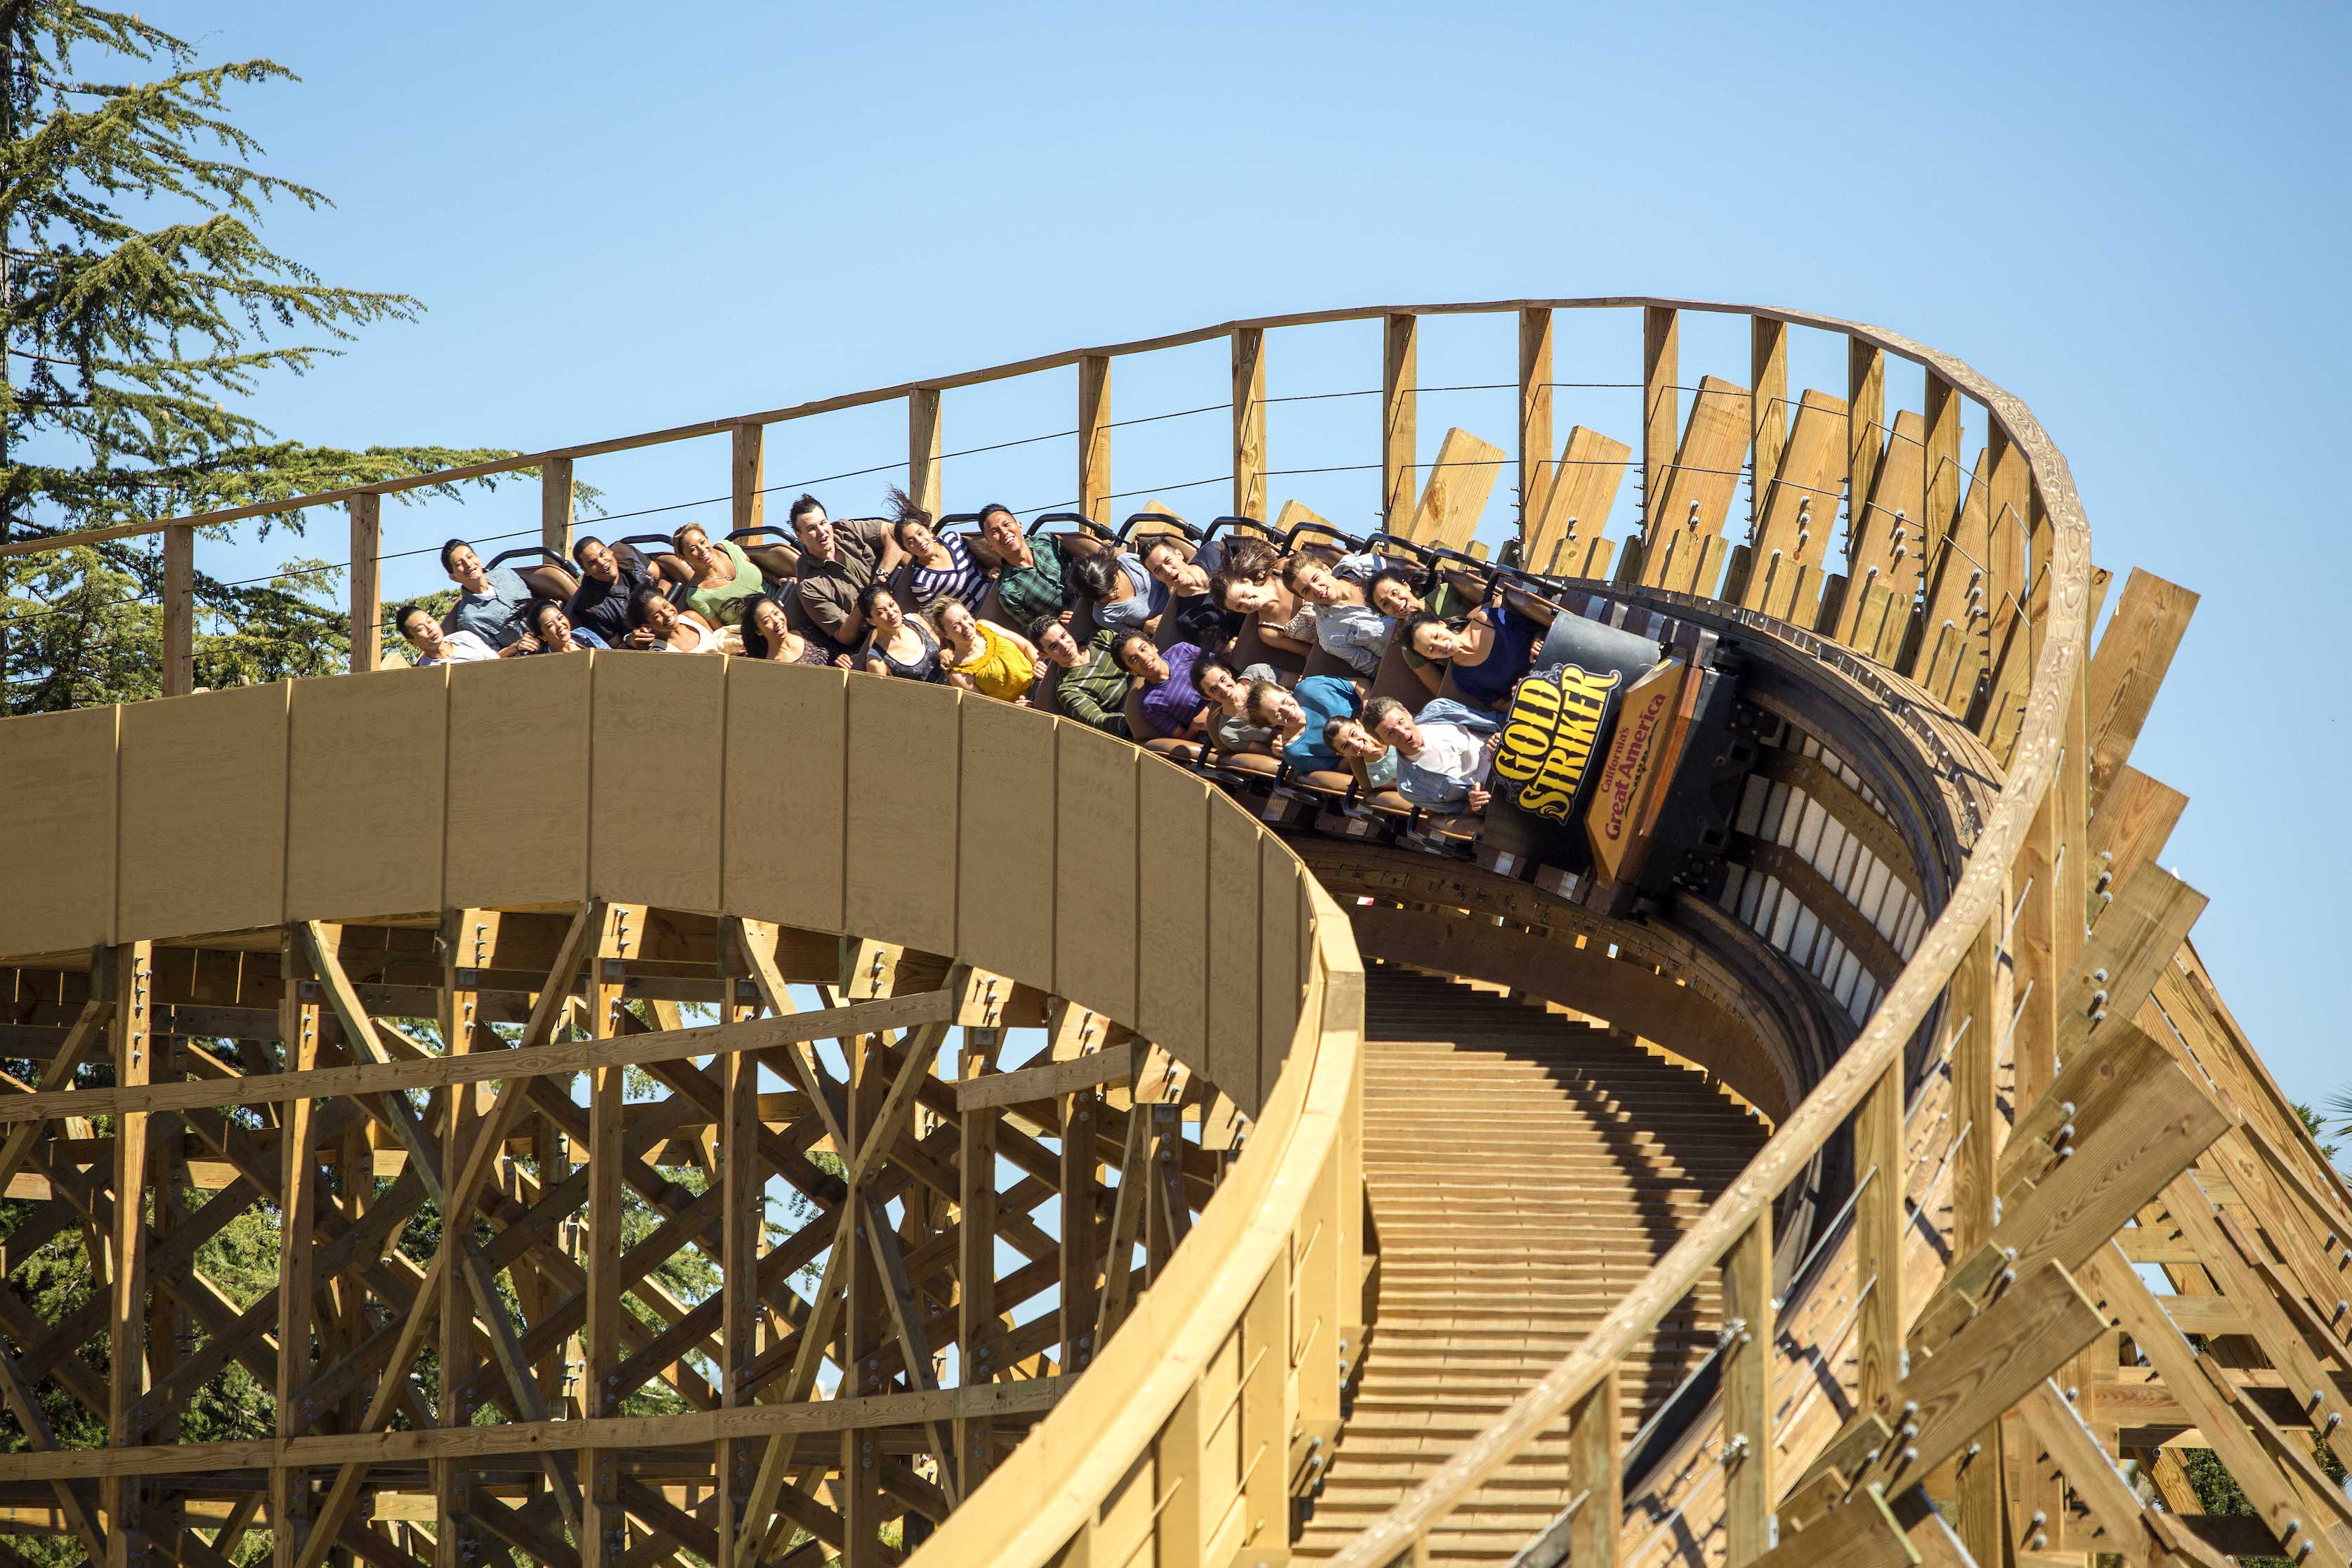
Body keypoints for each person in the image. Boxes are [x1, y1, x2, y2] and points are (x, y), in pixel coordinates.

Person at [790, 493, 906, 647]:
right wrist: (867, 602)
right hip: (878, 630)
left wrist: (881, 576)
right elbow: (844, 635)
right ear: (800, 536)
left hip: (903, 594)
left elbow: (894, 533)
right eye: (812, 529)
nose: (821, 532)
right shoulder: (809, 585)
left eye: (823, 523)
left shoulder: (846, 530)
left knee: (909, 544)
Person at [1364, 694, 1503, 812]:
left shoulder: (1439, 709)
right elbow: (1461, 812)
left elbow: (1497, 720)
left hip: (1511, 751)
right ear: (1382, 741)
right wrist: (1474, 803)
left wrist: (1502, 736)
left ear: (1407, 713)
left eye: (1401, 722)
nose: (1403, 732)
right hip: (1499, 795)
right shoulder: (1409, 788)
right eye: (1391, 733)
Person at [1400, 595, 1543, 709]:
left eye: (1436, 636)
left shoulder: (1485, 619)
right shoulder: (1462, 677)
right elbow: (1499, 705)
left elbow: (1538, 624)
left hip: (1553, 656)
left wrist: (1538, 639)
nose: (1441, 645)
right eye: (1431, 650)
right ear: (1429, 657)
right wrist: (1517, 697)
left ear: (1441, 624)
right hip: (1542, 697)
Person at [1283, 550, 1394, 676]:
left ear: (1326, 570)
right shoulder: (1330, 635)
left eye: (1316, 579)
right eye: (1306, 591)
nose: (1317, 589)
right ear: (1305, 598)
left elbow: (1405, 580)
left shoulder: (1363, 565)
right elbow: (1373, 667)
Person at [889, 489, 991, 614]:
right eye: (911, 542)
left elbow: (979, 562)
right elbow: (935, 615)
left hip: (996, 599)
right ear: (907, 550)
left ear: (929, 532)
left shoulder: (954, 540)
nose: (920, 541)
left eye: (920, 533)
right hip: (976, 620)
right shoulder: (922, 582)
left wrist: (989, 571)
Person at [1141, 534, 1245, 651]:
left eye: (1168, 561)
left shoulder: (1213, 552)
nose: (1168, 571)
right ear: (1156, 577)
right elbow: (1217, 647)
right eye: (1158, 570)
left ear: (1179, 554)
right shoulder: (1186, 619)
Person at [1031, 614, 1128, 736]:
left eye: (1064, 636)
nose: (1065, 646)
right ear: (1044, 655)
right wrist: (1129, 722)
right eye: (1054, 646)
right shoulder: (1068, 689)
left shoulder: (1102, 638)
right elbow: (1097, 720)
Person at [979, 503, 1072, 625]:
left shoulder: (1047, 541)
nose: (1004, 532)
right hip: (1072, 633)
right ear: (990, 545)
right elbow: (1035, 631)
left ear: (1020, 526)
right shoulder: (1009, 591)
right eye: (995, 532)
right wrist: (1059, 623)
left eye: (1006, 524)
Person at [1244, 673, 1361, 771]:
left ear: (1284, 691)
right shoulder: (1296, 752)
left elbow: (1360, 685)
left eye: (1284, 701)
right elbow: (1339, 768)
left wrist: (1368, 712)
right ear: (1271, 724)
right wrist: (1358, 747)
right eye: (1278, 714)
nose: (1288, 710)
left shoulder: (1310, 687)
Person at [936, 597, 1038, 702]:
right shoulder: (959, 675)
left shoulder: (985, 626)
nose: (966, 626)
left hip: (1040, 682)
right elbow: (992, 708)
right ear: (946, 634)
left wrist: (1039, 665)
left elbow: (1026, 647)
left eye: (966, 617)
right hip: (1026, 707)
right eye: (956, 625)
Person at [567, 537, 662, 646]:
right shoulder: (589, 607)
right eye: (593, 563)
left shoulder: (626, 554)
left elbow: (663, 577)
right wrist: (630, 640)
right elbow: (615, 646)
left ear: (610, 551)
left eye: (602, 554)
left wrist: (663, 603)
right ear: (585, 571)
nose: (602, 563)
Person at [439, 540, 535, 649]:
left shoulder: (505, 575)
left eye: (470, 557)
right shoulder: (470, 619)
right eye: (460, 564)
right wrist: (516, 647)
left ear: (479, 560)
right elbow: (490, 658)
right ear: (454, 578)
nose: (468, 564)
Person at [1208, 563, 1314, 658]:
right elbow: (1307, 652)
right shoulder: (1268, 632)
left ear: (1247, 582)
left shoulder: (1282, 570)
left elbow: (1320, 571)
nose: (1248, 603)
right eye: (1239, 606)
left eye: (1243, 595)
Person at [674, 523, 766, 627]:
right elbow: (720, 630)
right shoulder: (697, 597)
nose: (702, 549)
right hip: (758, 629)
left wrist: (775, 580)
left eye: (703, 542)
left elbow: (756, 566)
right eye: (693, 549)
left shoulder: (726, 548)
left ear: (708, 540)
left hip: (781, 599)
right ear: (684, 557)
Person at [1116, 632, 1206, 738]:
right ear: (1132, 672)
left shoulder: (1182, 650)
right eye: (1134, 660)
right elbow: (1183, 739)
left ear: (1154, 647)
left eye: (1143, 649)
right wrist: (1195, 727)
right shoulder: (1151, 704)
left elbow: (1219, 666)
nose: (1144, 658)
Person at [856, 581, 946, 683]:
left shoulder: (915, 620)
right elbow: (885, 695)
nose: (890, 612)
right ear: (871, 621)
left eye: (892, 604)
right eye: (881, 612)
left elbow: (942, 647)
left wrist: (945, 653)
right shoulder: (876, 661)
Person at [1191, 651, 1281, 751]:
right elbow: (1267, 754)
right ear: (1207, 697)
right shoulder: (1229, 733)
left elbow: (1298, 681)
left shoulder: (1256, 672)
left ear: (1228, 673)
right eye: (1214, 689)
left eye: (1223, 679)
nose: (1224, 690)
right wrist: (1277, 749)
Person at [1067, 548, 1164, 634]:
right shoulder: (1104, 616)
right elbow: (1133, 637)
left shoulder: (1129, 561)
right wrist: (1146, 628)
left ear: (1115, 569)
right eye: (1103, 596)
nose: (1112, 595)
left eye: (1114, 586)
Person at [738, 593, 833, 665]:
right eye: (767, 621)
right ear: (758, 631)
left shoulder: (810, 633)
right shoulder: (770, 666)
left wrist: (845, 660)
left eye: (776, 613)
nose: (776, 621)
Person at [625, 584, 721, 653]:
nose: (667, 615)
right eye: (657, 615)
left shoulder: (692, 618)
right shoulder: (660, 652)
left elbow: (720, 642)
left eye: (666, 606)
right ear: (647, 624)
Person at [396, 603, 497, 666]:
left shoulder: (465, 637)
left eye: (430, 621)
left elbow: (496, 662)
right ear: (412, 641)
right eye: (421, 629)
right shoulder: (426, 670)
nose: (430, 629)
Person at [1322, 714, 1401, 790]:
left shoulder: (1393, 730)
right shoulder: (1377, 775)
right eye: (1346, 746)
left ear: (1359, 724)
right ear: (1343, 754)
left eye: (1353, 734)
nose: (1356, 745)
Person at [523, 599, 607, 654]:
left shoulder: (584, 634)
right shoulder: (542, 662)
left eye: (560, 618)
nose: (559, 625)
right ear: (542, 636)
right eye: (551, 625)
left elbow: (612, 658)